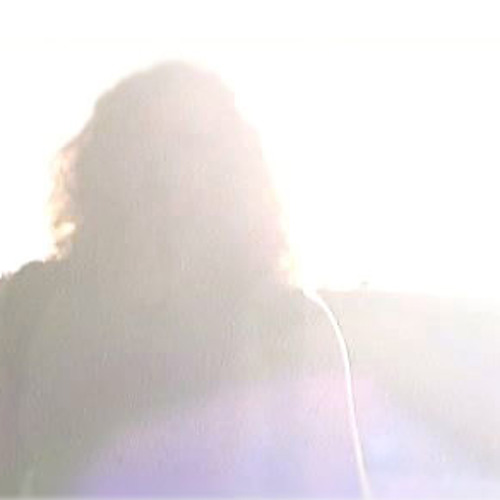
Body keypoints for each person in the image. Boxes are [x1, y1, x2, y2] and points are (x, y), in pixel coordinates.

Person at [2, 61, 500, 497]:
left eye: (192, 147)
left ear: (231, 175)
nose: (169, 173)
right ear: (107, 164)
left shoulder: (288, 326)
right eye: (148, 147)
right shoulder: (31, 309)